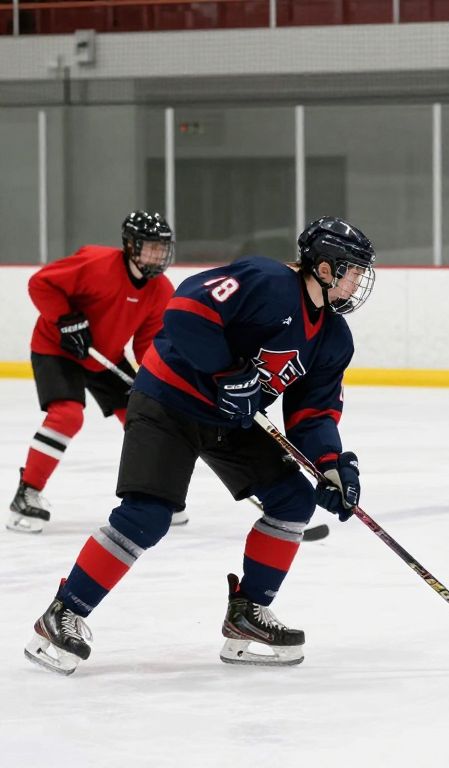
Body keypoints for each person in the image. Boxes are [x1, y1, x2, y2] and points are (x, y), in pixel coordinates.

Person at [24, 216, 376, 675]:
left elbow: (314, 412)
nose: (358, 282)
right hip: (170, 398)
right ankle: (63, 612)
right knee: (148, 514)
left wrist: (330, 465)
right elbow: (188, 308)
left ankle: (246, 615)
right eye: (352, 270)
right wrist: (227, 372)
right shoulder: (268, 282)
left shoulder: (332, 337)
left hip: (229, 419)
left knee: (292, 499)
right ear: (325, 269)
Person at [9, 211, 176, 534]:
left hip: (106, 357)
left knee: (144, 417)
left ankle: (153, 494)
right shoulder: (95, 263)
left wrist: (159, 378)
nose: (158, 254)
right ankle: (26, 492)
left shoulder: (160, 290)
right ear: (130, 245)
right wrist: (66, 317)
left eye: (162, 248)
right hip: (57, 348)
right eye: (150, 247)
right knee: (67, 415)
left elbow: (147, 346)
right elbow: (40, 284)